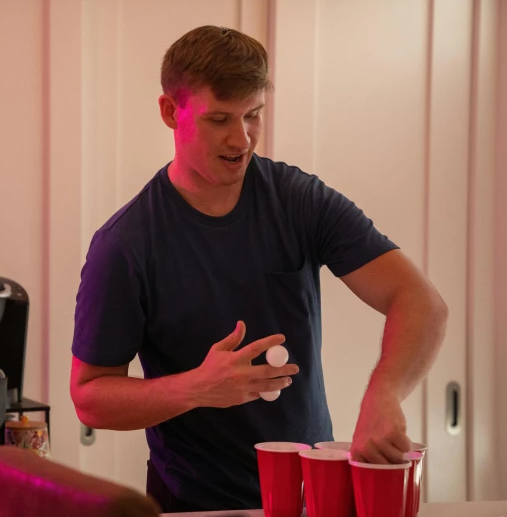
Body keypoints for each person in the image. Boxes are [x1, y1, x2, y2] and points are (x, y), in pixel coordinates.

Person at [69, 25, 448, 512]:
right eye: (219, 119)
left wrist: (386, 393)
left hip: (316, 496)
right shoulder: (124, 244)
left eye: (253, 116)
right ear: (170, 112)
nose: (241, 138)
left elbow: (421, 303)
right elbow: (90, 396)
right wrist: (198, 388)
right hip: (193, 502)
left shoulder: (300, 201)